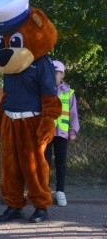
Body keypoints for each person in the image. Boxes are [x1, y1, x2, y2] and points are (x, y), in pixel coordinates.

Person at [45, 60, 80, 207]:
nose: (54, 75)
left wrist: (73, 130)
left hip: (62, 133)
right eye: (51, 72)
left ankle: (60, 192)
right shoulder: (44, 90)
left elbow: (73, 113)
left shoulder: (69, 93)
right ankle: (44, 191)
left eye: (57, 73)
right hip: (46, 133)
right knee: (45, 162)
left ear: (62, 75)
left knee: (61, 163)